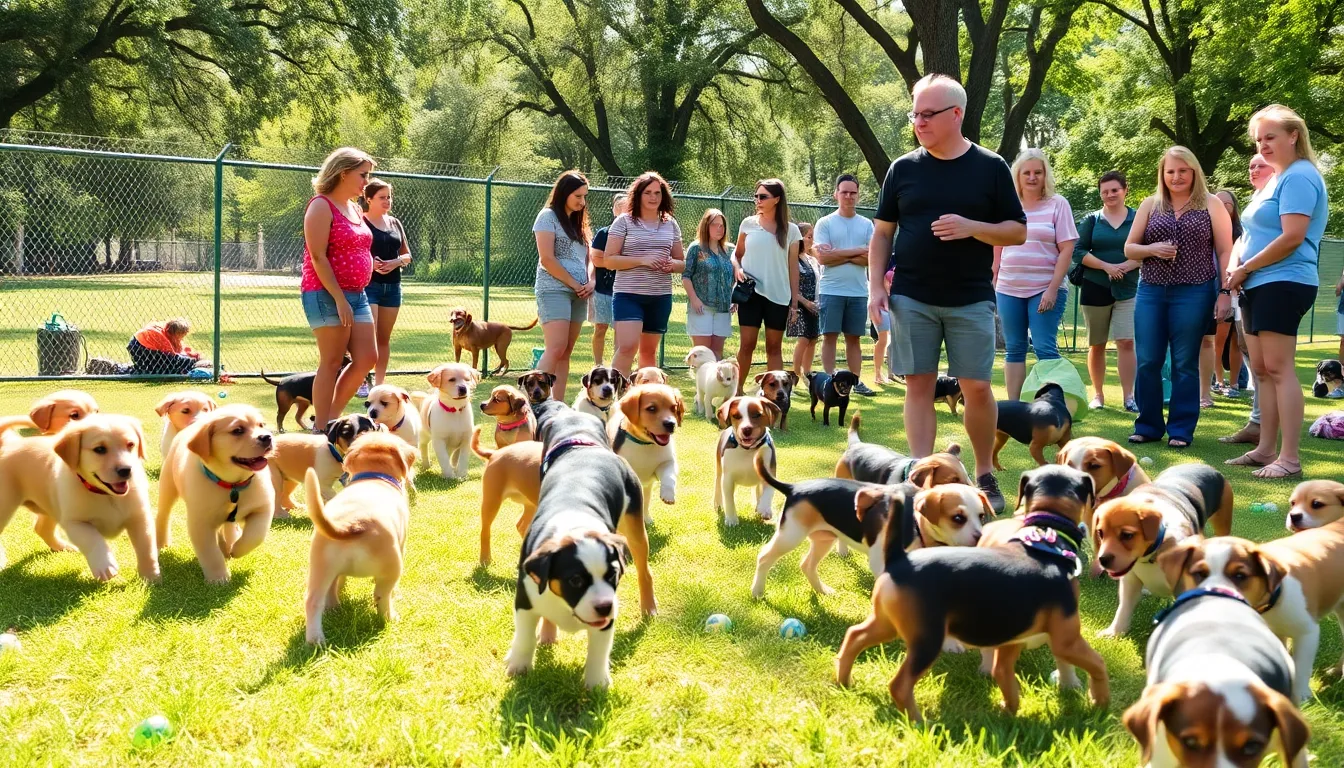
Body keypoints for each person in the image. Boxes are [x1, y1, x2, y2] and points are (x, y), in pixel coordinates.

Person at [866, 74, 1027, 512]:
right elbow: (882, 234)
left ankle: (984, 474)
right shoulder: (902, 168)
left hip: (972, 296)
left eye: (928, 113)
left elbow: (1017, 230)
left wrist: (973, 228)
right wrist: (875, 285)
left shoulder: (991, 166)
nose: (919, 121)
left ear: (956, 114)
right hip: (911, 296)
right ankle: (921, 477)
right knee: (918, 385)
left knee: (976, 387)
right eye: (914, 113)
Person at [1225, 105, 1330, 479]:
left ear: (1293, 136)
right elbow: (1251, 235)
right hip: (1258, 283)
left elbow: (1292, 237)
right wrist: (1238, 268)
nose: (1263, 145)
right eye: (1258, 139)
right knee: (1264, 370)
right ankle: (1265, 449)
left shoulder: (1300, 176)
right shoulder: (1277, 178)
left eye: (1270, 137)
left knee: (1280, 369)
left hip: (1284, 282)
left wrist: (1246, 268)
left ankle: (1289, 459)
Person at [1124, 146, 1234, 449]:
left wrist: (1225, 292)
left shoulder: (1211, 204)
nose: (1176, 176)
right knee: (1148, 360)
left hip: (1195, 291)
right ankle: (1147, 425)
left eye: (1183, 170)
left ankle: (1181, 430)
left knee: (1185, 362)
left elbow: (1226, 251)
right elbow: (1129, 248)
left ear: (1194, 171)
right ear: (1162, 174)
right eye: (1170, 171)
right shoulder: (1150, 204)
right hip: (1151, 291)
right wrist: (1151, 250)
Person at [301, 146, 378, 434]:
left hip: (357, 294)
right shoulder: (320, 205)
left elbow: (359, 245)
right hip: (325, 295)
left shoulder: (355, 207)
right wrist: (339, 299)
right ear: (343, 173)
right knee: (332, 361)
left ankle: (329, 419)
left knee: (367, 358)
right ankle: (322, 429)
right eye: (362, 175)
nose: (365, 182)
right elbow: (318, 257)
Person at [993, 149, 1078, 400]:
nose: (1032, 177)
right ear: (1017, 177)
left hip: (1045, 288)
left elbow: (1067, 248)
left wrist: (1052, 288)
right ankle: (1015, 406)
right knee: (1014, 349)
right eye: (1026, 173)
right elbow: (997, 245)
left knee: (1044, 347)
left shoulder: (1058, 204)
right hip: (1008, 288)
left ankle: (1053, 406)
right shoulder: (1006, 206)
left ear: (1045, 175)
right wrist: (995, 279)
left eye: (1037, 173)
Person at [1220, 154, 1276, 444]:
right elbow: (1242, 244)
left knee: (1270, 365)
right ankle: (1257, 425)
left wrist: (1242, 270)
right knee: (1254, 359)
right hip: (1244, 288)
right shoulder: (1258, 200)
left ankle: (1270, 435)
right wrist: (1233, 273)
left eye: (1261, 165)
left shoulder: (1279, 194)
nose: (1254, 169)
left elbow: (1286, 239)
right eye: (1251, 165)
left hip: (1271, 286)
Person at [1073, 170, 1139, 411]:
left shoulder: (1138, 217)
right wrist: (1107, 267)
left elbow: (1148, 250)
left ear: (1125, 190)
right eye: (1105, 191)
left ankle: (1129, 397)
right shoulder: (1092, 220)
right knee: (1097, 344)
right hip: (1095, 287)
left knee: (1126, 343)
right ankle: (1098, 395)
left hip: (1129, 289)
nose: (1110, 195)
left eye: (1115, 190)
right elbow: (1078, 251)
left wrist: (1128, 265)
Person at [604, 172, 683, 374]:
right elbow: (609, 260)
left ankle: (647, 397)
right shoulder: (623, 222)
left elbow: (682, 263)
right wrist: (642, 260)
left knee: (649, 352)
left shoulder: (670, 223)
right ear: (638, 194)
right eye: (648, 192)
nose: (653, 197)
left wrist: (671, 264)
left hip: (660, 296)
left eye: (657, 192)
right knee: (628, 347)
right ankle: (617, 396)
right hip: (628, 295)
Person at [733, 179, 803, 390]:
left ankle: (774, 395)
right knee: (747, 345)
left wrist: (794, 304)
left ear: (777, 199)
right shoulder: (747, 224)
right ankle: (737, 391)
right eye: (756, 196)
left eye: (763, 196)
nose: (758, 200)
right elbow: (736, 256)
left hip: (779, 296)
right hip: (750, 294)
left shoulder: (791, 231)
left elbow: (793, 268)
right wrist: (737, 268)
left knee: (774, 347)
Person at [533, 170, 594, 402]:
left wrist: (590, 282)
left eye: (584, 196)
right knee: (556, 347)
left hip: (579, 293)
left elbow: (589, 260)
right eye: (578, 196)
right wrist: (574, 283)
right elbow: (547, 259)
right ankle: (534, 403)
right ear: (564, 193)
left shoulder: (579, 223)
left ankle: (556, 405)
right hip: (554, 289)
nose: (582, 201)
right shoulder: (547, 217)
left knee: (566, 351)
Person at [814, 174, 877, 395]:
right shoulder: (826, 223)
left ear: (858, 195)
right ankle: (829, 381)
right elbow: (823, 258)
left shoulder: (866, 224)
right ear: (836, 194)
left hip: (859, 291)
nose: (848, 196)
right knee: (830, 336)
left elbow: (872, 257)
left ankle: (856, 381)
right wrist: (858, 251)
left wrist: (839, 254)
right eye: (844, 192)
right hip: (831, 290)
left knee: (854, 339)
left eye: (853, 192)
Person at [360, 179, 412, 395]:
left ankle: (379, 385)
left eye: (389, 196)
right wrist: (371, 264)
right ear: (368, 199)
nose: (387, 201)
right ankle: (362, 380)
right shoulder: (360, 222)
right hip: (368, 286)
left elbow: (407, 255)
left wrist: (395, 263)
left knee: (383, 339)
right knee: (367, 338)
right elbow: (354, 252)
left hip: (392, 287)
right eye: (382, 197)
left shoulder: (395, 223)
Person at [1202, 189, 1245, 402]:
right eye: (1217, 202)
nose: (1221, 206)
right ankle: (1218, 380)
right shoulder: (1205, 231)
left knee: (1237, 340)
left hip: (1240, 292)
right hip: (1217, 292)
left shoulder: (1242, 233)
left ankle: (1235, 383)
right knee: (1218, 339)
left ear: (1234, 208)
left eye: (1226, 204)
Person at [682, 208, 737, 358]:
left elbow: (733, 278)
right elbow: (686, 276)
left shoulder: (730, 250)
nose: (719, 229)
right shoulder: (696, 248)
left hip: (723, 308)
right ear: (706, 226)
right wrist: (694, 299)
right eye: (714, 225)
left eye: (722, 225)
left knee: (717, 353)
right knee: (702, 352)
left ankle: (715, 381)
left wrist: (734, 299)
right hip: (702, 306)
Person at [588, 194, 626, 366]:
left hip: (625, 290)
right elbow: (596, 259)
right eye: (619, 207)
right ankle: (598, 365)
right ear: (614, 210)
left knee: (622, 331)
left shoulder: (635, 234)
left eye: (627, 207)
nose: (623, 211)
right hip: (602, 289)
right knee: (600, 328)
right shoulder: (604, 233)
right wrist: (624, 263)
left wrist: (611, 260)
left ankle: (617, 367)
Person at [787, 221, 821, 376]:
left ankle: (807, 373)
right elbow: (789, 283)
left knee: (813, 338)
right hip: (799, 304)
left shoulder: (812, 259)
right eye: (809, 236)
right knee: (804, 339)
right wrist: (804, 302)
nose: (812, 240)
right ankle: (796, 374)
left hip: (814, 305)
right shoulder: (792, 258)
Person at [128, 318, 208, 374]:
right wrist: (193, 359)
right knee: (173, 362)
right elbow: (173, 355)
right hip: (139, 348)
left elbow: (180, 347)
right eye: (182, 335)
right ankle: (195, 363)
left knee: (171, 362)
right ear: (176, 333)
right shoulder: (163, 339)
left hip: (139, 345)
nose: (182, 338)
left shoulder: (167, 330)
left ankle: (195, 362)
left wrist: (191, 354)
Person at [872, 267, 894, 385]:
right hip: (882, 308)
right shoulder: (889, 273)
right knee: (883, 340)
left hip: (893, 308)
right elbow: (886, 290)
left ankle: (891, 372)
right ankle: (878, 374)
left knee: (889, 341)